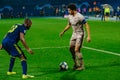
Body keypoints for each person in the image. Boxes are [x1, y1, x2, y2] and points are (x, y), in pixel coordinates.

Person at [60, 3, 91, 70]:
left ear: (73, 10)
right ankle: (76, 64)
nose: (68, 12)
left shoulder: (80, 16)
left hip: (80, 34)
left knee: (77, 50)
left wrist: (88, 36)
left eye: (69, 10)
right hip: (74, 34)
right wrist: (63, 31)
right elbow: (69, 24)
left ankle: (82, 66)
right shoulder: (70, 16)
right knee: (71, 48)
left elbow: (87, 25)